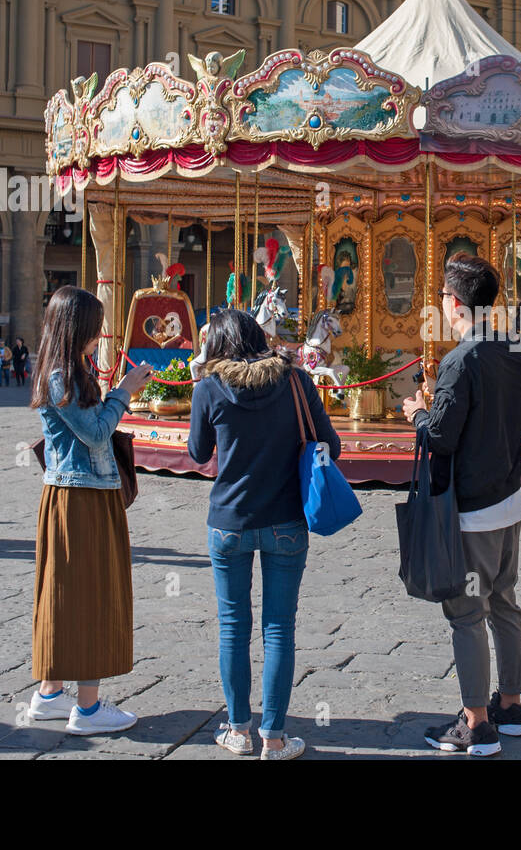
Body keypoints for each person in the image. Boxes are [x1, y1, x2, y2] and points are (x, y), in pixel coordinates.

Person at [187, 309, 341, 760]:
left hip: (229, 522)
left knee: (233, 627)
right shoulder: (295, 382)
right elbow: (330, 442)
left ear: (218, 345)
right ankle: (273, 739)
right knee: (279, 629)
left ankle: (238, 730)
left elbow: (198, 452)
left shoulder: (210, 387)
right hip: (287, 520)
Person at [401, 253, 521, 758]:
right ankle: (512, 704)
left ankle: (476, 721)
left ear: (454, 303)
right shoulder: (513, 352)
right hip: (508, 499)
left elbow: (441, 437)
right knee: (504, 603)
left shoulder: (461, 360)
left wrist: (417, 412)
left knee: (467, 613)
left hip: (473, 510)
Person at [26, 286, 154, 735]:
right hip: (82, 496)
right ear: (78, 326)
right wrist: (124, 393)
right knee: (91, 595)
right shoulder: (63, 374)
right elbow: (96, 433)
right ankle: (88, 707)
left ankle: (49, 694)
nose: (101, 332)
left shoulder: (62, 367)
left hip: (70, 494)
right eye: (95, 324)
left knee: (62, 593)